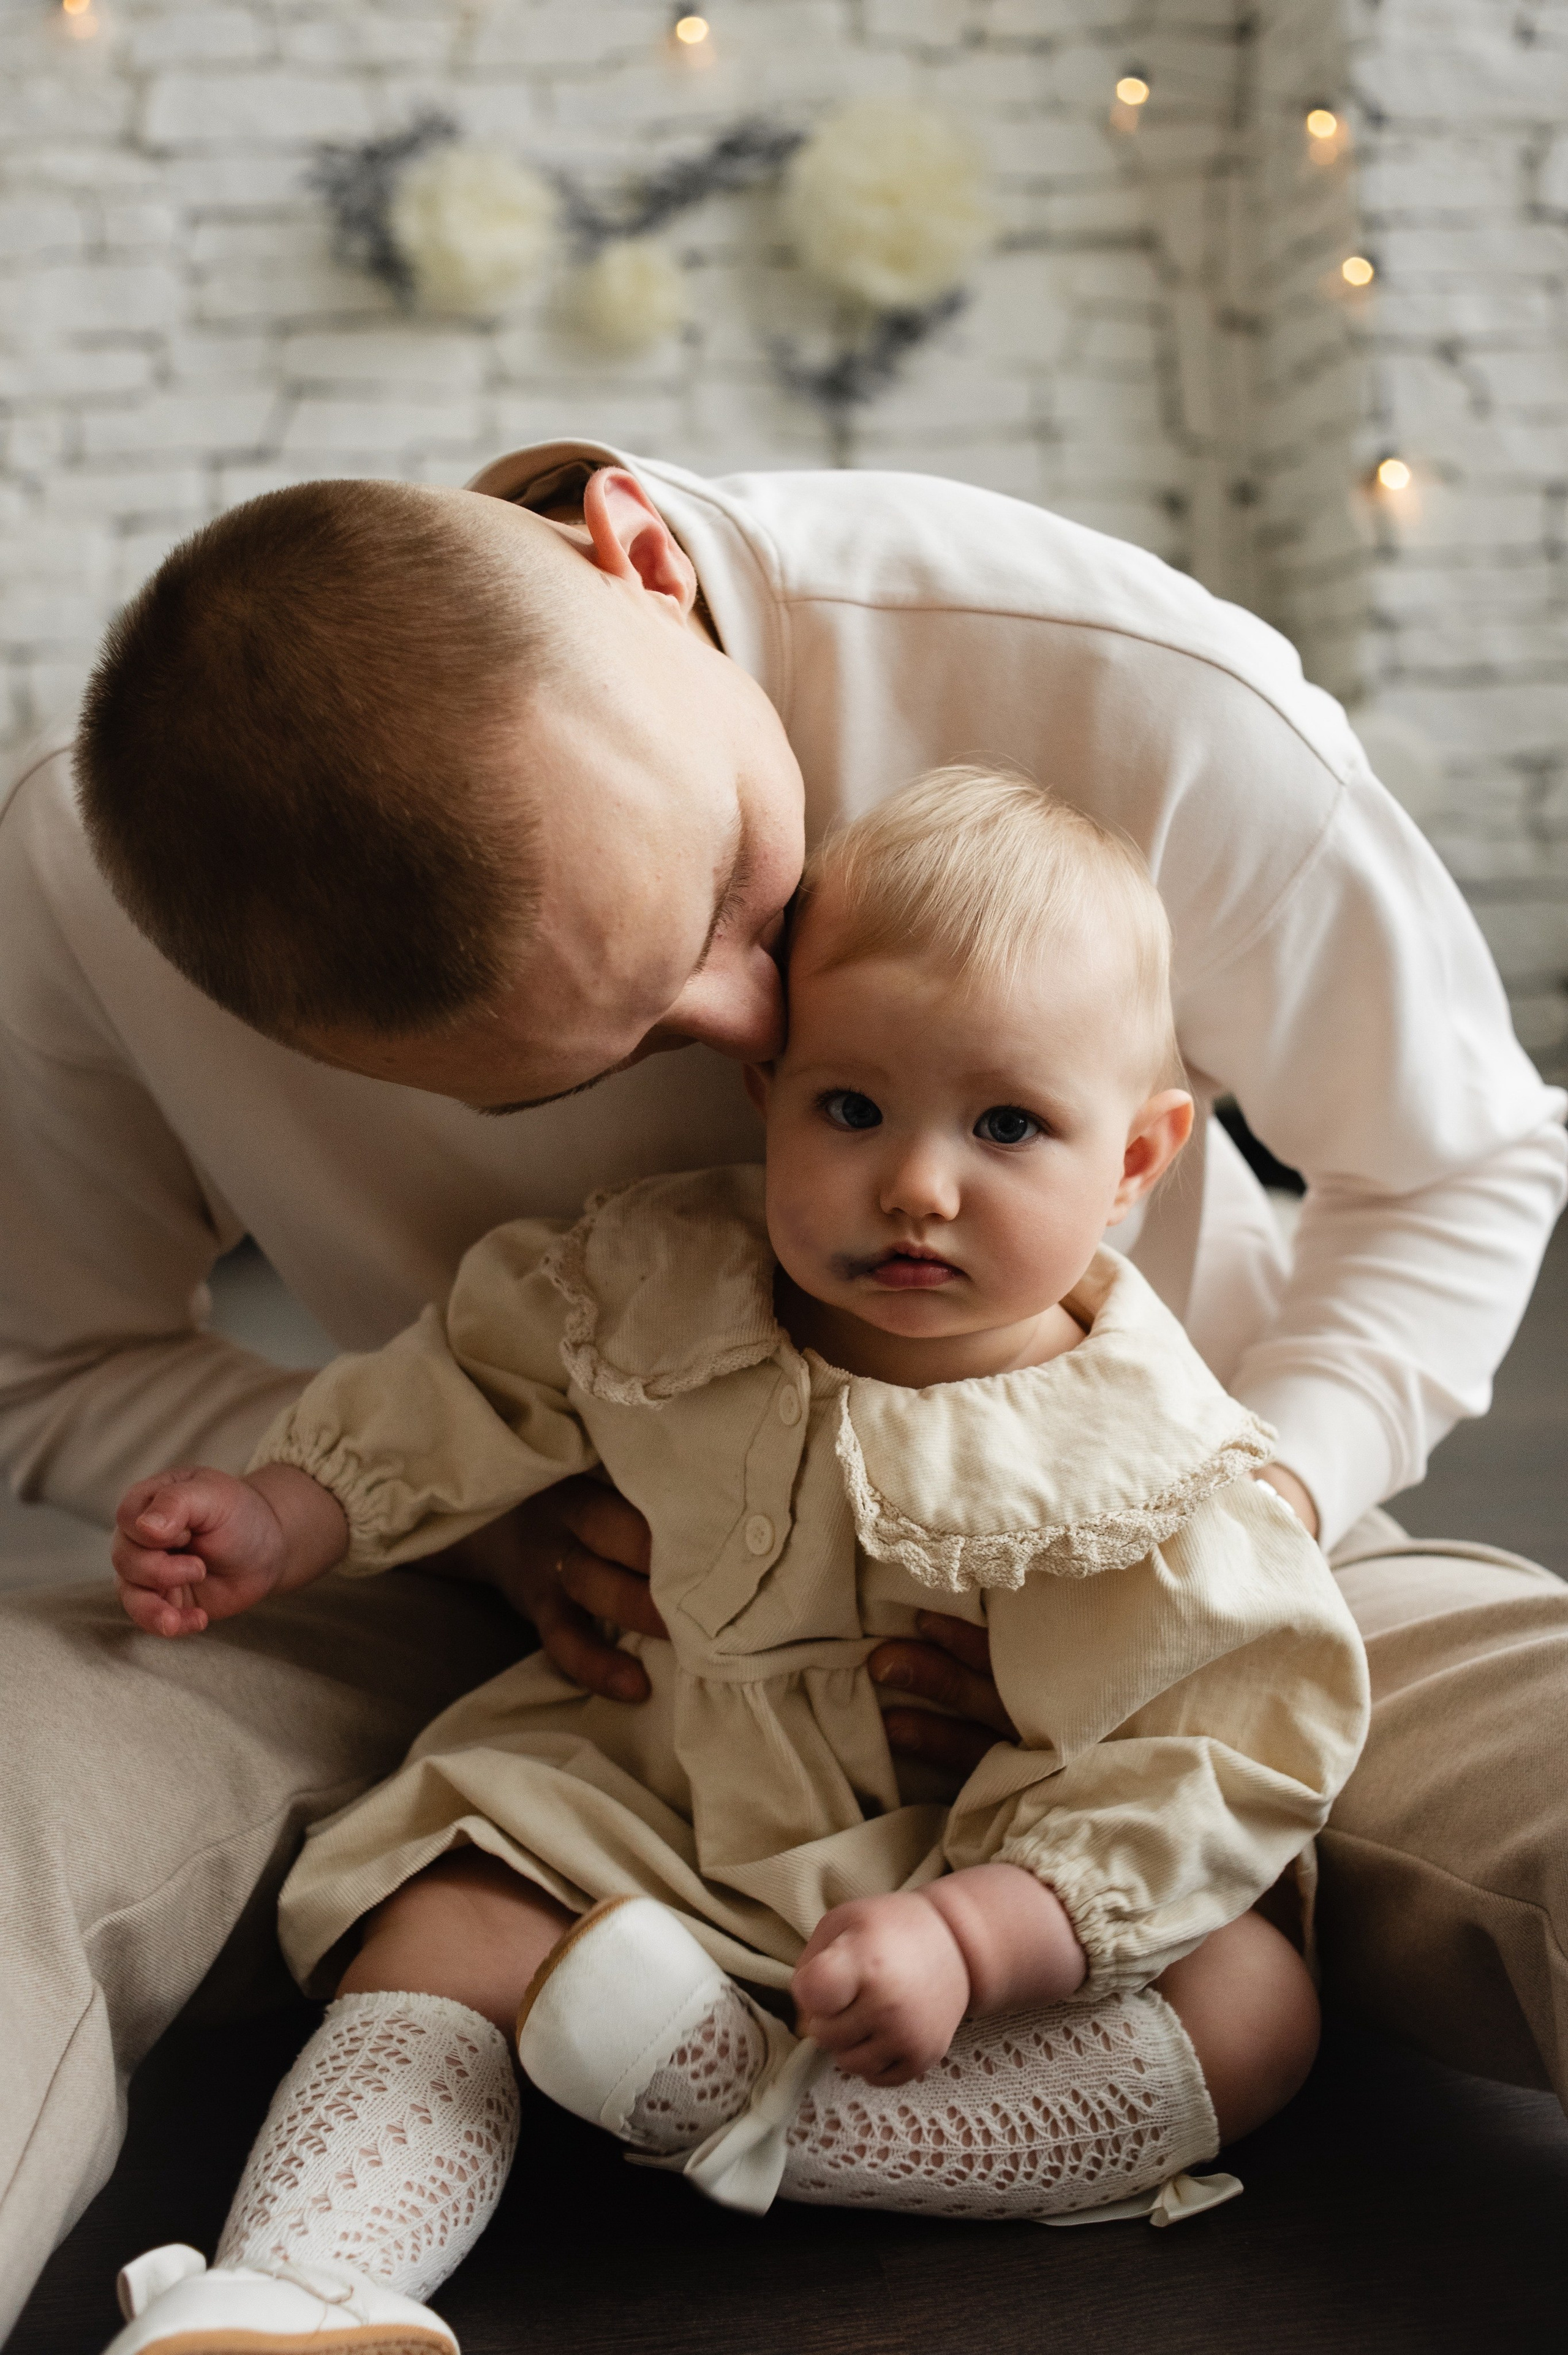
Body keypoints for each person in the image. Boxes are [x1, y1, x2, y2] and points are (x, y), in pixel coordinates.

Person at [1, 442, 1564, 2336]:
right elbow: (59, 1361)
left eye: (741, 892)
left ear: (639, 560)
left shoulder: (1116, 678)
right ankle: (282, 2296)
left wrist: (1226, 1541)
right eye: (594, 1064)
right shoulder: (91, 895)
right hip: (518, 1603)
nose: (760, 1038)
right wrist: (459, 1527)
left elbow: (1455, 1163)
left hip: (1193, 1546)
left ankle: (826, 2114)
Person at [104, 776, 1368, 2351]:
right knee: (447, 1911)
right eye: (851, 1109)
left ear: (1134, 1156)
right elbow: (462, 1387)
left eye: (1006, 1125)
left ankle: (788, 2128)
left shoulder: (1147, 1451)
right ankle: (288, 2285)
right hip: (664, 1795)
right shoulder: (654, 1278)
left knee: (1255, 2007)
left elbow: (1214, 1758)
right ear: (763, 1093)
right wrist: (284, 1515)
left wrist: (983, 1931)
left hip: (978, 1858)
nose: (916, 1182)